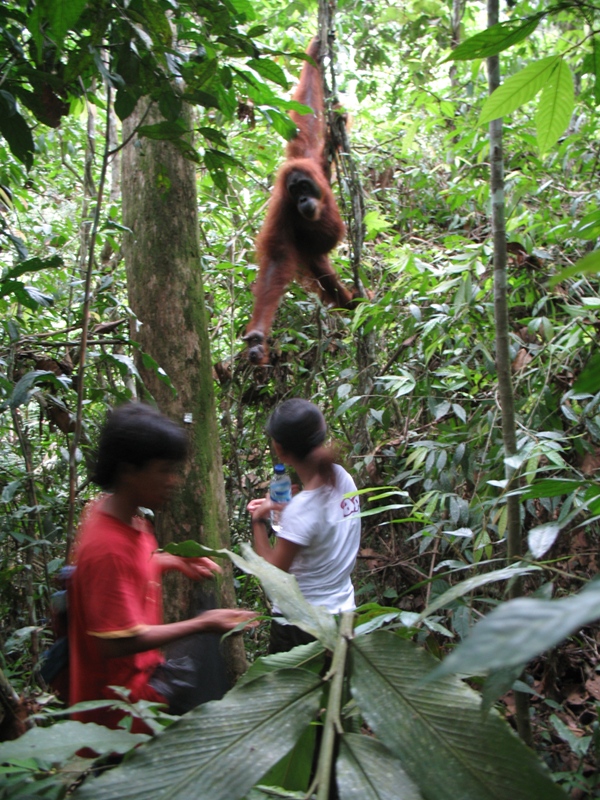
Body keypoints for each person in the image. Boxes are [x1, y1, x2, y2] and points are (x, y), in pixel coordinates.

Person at [68, 402, 255, 732]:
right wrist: (202, 624)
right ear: (128, 470)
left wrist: (173, 562)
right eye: (163, 470)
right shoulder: (107, 547)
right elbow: (114, 642)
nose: (173, 480)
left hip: (143, 690)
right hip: (116, 717)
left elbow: (134, 568)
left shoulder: (128, 519)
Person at [247, 399, 361, 653]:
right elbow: (323, 523)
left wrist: (258, 519)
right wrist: (291, 511)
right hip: (342, 616)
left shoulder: (302, 511)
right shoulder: (343, 478)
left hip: (300, 626)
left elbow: (274, 576)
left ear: (280, 450)